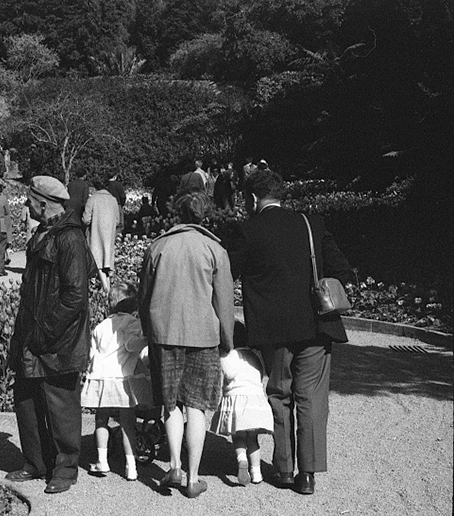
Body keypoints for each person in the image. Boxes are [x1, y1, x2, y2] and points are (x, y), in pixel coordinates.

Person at [230, 168, 353, 495]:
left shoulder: (247, 230)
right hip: (316, 324)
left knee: (279, 394)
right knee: (311, 398)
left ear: (252, 198)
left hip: (273, 329)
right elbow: (343, 270)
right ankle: (308, 473)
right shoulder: (312, 224)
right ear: (281, 195)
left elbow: (227, 272)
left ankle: (283, 469)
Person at [138, 191, 235, 499]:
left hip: (165, 334)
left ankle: (175, 466)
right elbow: (225, 304)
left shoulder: (159, 246)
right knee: (196, 406)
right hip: (203, 336)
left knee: (170, 405)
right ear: (206, 215)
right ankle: (193, 478)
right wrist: (228, 341)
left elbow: (144, 297)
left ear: (176, 214)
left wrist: (147, 330)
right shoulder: (214, 249)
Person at [6, 176, 98, 495]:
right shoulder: (44, 232)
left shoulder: (69, 237)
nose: (26, 205)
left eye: (29, 200)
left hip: (58, 338)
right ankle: (37, 462)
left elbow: (75, 295)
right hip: (34, 334)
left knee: (61, 404)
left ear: (43, 203)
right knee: (27, 400)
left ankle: (66, 467)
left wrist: (46, 330)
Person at [81, 281, 152, 482]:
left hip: (101, 377)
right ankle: (131, 467)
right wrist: (147, 341)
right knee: (128, 423)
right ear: (135, 305)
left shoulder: (101, 326)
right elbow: (130, 345)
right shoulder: (132, 323)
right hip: (121, 378)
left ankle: (102, 460)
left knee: (101, 419)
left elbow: (92, 353)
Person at [209, 323, 274, 486]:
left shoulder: (229, 356)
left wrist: (221, 354)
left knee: (238, 437)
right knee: (253, 439)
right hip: (254, 402)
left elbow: (228, 372)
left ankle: (241, 460)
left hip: (237, 402)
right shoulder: (254, 357)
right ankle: (257, 473)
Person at [83, 177, 120, 292]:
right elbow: (118, 220)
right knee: (106, 260)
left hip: (96, 232)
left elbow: (85, 219)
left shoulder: (93, 199)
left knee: (97, 259)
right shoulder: (113, 200)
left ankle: (106, 288)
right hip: (109, 233)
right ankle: (107, 286)